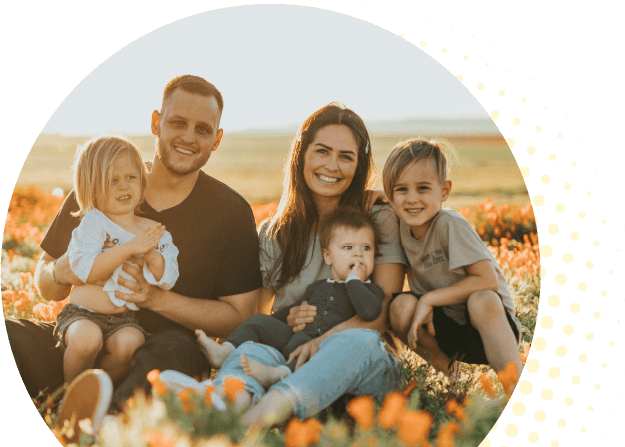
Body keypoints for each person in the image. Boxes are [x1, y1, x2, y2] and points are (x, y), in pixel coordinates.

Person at [5, 75, 262, 437]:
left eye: (202, 129)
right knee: (13, 336)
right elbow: (46, 283)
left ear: (216, 140)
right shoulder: (101, 182)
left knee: (175, 352)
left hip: (162, 352)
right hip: (83, 338)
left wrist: (154, 298)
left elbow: (238, 317)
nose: (189, 137)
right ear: (156, 122)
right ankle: (74, 400)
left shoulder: (230, 212)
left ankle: (106, 421)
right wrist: (67, 269)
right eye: (177, 123)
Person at [195, 103, 407, 428]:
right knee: (254, 348)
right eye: (322, 151)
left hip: (360, 368)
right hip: (289, 357)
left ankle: (259, 417)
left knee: (355, 342)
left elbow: (382, 315)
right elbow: (259, 311)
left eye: (346, 156)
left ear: (359, 165)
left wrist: (319, 341)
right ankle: (223, 407)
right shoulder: (274, 232)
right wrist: (289, 316)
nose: (332, 166)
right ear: (301, 154)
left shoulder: (378, 219)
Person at [196, 208, 385, 388]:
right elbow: (289, 311)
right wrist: (274, 322)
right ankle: (225, 352)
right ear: (328, 256)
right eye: (348, 247)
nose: (358, 254)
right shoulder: (318, 286)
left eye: (366, 248)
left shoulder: (371, 292)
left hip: (325, 349)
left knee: (311, 353)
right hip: (294, 338)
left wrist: (354, 281)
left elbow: (369, 312)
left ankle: (279, 373)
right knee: (258, 321)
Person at [385, 138, 522, 381]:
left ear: (444, 191)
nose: (412, 198)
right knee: (399, 307)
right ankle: (449, 373)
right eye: (401, 189)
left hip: (489, 326)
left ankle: (512, 385)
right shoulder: (401, 226)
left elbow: (487, 280)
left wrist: (429, 299)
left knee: (482, 299)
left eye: (423, 188)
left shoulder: (450, 225)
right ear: (390, 195)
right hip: (443, 327)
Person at [56, 135, 179, 385]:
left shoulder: (153, 230)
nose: (124, 186)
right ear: (92, 187)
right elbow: (86, 271)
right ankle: (70, 395)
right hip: (82, 313)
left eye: (130, 177)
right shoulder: (93, 222)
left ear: (143, 182)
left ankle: (99, 395)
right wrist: (130, 248)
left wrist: (151, 255)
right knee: (86, 340)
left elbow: (167, 279)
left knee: (130, 343)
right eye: (112, 181)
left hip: (124, 319)